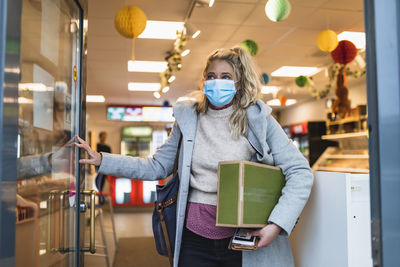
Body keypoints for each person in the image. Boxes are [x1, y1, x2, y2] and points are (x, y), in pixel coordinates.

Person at [75, 46, 313, 267]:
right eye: (210, 76)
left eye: (225, 77)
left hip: (244, 239)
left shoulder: (259, 120)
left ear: (238, 84)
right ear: (203, 81)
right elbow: (157, 166)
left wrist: (277, 224)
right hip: (193, 238)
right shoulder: (188, 118)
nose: (216, 82)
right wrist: (102, 160)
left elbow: (300, 172)